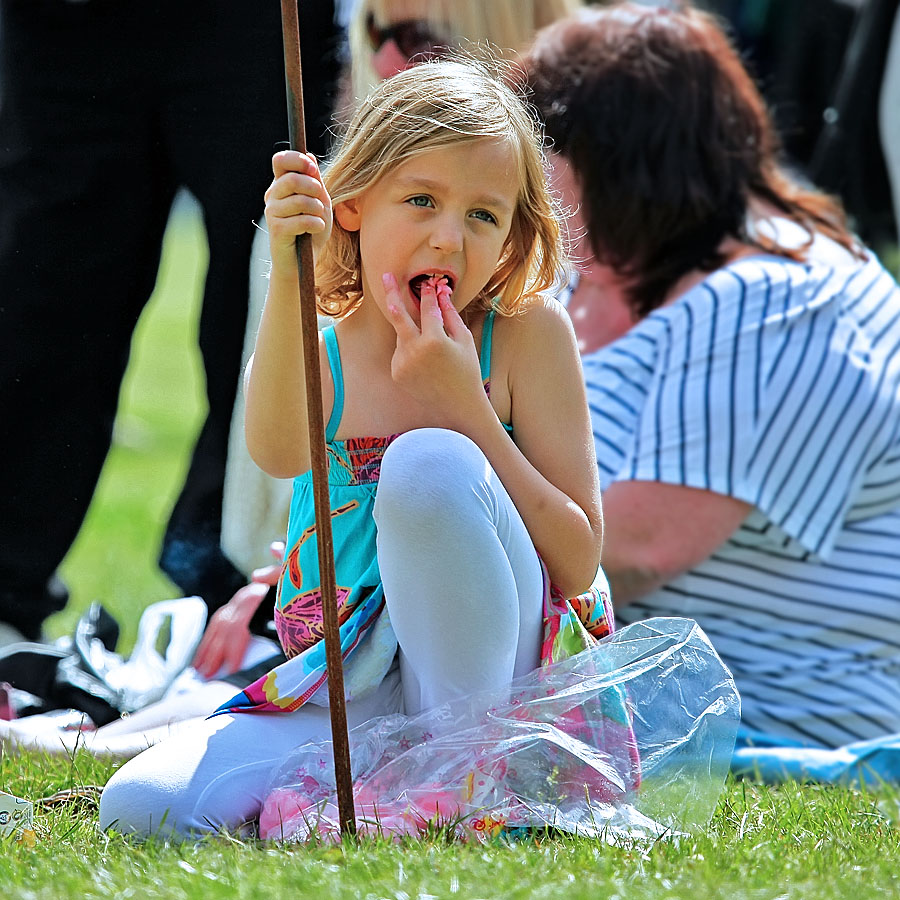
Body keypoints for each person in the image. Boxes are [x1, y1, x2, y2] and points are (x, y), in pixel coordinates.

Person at [98, 56, 610, 839]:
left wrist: (462, 408)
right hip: (354, 682)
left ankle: (459, 776)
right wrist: (286, 269)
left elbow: (576, 562)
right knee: (142, 806)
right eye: (421, 200)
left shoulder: (527, 336)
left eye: (483, 215)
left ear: (512, 238)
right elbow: (275, 451)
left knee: (427, 463)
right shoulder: (326, 348)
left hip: (498, 693)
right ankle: (394, 786)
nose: (449, 236)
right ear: (353, 206)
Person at [522, 3, 900, 751]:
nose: (525, 188)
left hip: (765, 719)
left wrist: (419, 555)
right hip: (631, 697)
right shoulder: (624, 264)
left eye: (540, 158)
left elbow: (640, 545)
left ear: (620, 162)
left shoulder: (783, 300)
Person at [0, 0, 344, 645]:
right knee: (39, 297)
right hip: (66, 25)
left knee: (265, 290)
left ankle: (256, 607)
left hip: (252, 22)